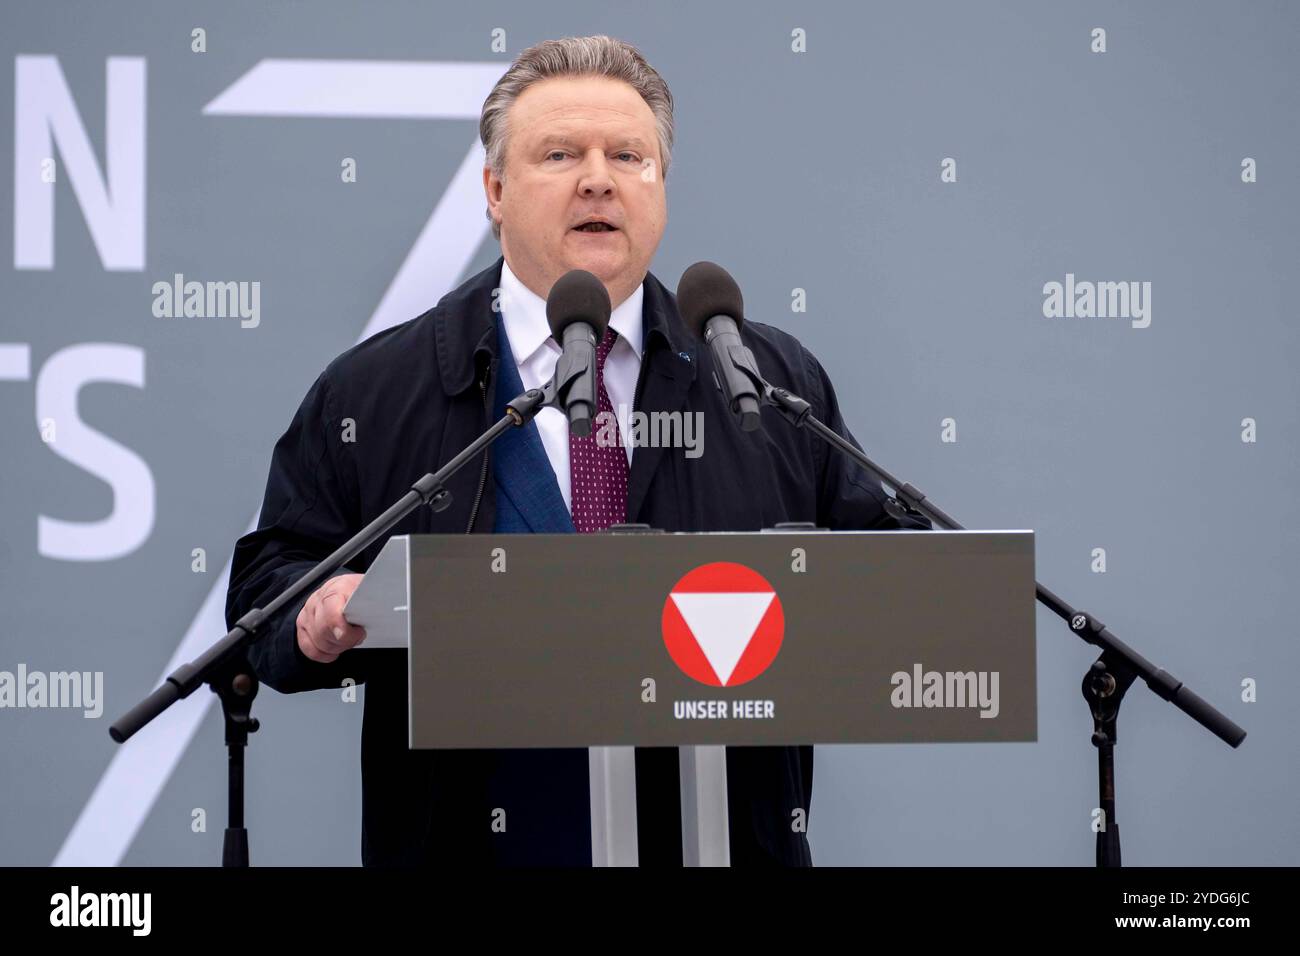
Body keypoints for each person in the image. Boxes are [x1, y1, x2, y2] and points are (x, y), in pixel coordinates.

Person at [225, 34, 929, 867]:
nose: (599, 177)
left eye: (629, 155)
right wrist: (316, 613)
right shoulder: (378, 390)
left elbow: (899, 582)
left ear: (660, 187)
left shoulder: (767, 383)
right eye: (560, 153)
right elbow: (267, 592)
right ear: (494, 190)